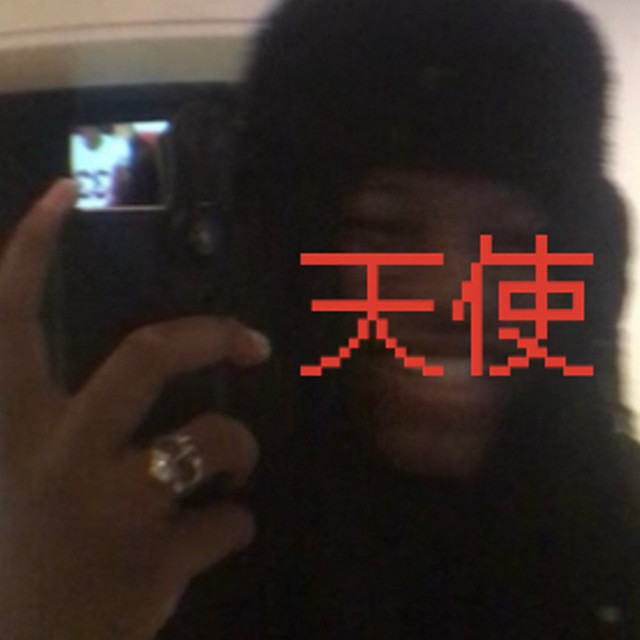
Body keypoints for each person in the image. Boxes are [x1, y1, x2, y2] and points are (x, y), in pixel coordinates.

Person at [0, 0, 638, 639]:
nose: (454, 294)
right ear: (288, 257)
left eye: (517, 237)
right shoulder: (139, 540)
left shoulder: (619, 531)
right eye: (384, 228)